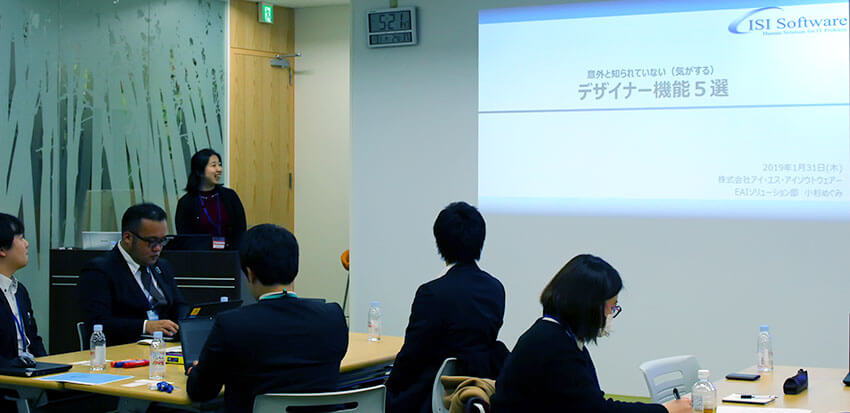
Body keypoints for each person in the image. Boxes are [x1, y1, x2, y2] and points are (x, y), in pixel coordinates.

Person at [492, 254, 692, 413]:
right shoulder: (553, 346)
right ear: (589, 306)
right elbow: (596, 410)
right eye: (611, 307)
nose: (610, 314)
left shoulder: (560, 336)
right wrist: (664, 410)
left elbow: (591, 401)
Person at [187, 224, 348, 413]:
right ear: (295, 268)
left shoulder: (232, 325)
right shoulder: (332, 316)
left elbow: (201, 392)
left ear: (250, 273)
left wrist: (199, 371)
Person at [385, 201, 508, 413]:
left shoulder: (432, 293)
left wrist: (386, 387)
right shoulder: (495, 289)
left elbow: (412, 356)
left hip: (435, 394)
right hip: (478, 389)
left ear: (439, 242)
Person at [79, 203, 187, 345]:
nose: (158, 248)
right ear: (128, 237)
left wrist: (185, 323)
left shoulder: (162, 266)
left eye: (162, 241)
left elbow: (179, 305)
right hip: (122, 351)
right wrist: (145, 326)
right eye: (151, 242)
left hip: (165, 347)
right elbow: (98, 322)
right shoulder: (100, 270)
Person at [175, 148, 247, 249]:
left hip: (230, 256)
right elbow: (184, 238)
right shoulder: (186, 202)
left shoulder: (230, 196)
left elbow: (240, 230)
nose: (219, 169)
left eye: (220, 165)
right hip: (200, 258)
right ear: (199, 171)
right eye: (213, 165)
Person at [0, 213, 45, 365]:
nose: (26, 244)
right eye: (20, 238)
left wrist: (49, 366)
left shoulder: (19, 290)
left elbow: (34, 339)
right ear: (2, 249)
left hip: (30, 373)